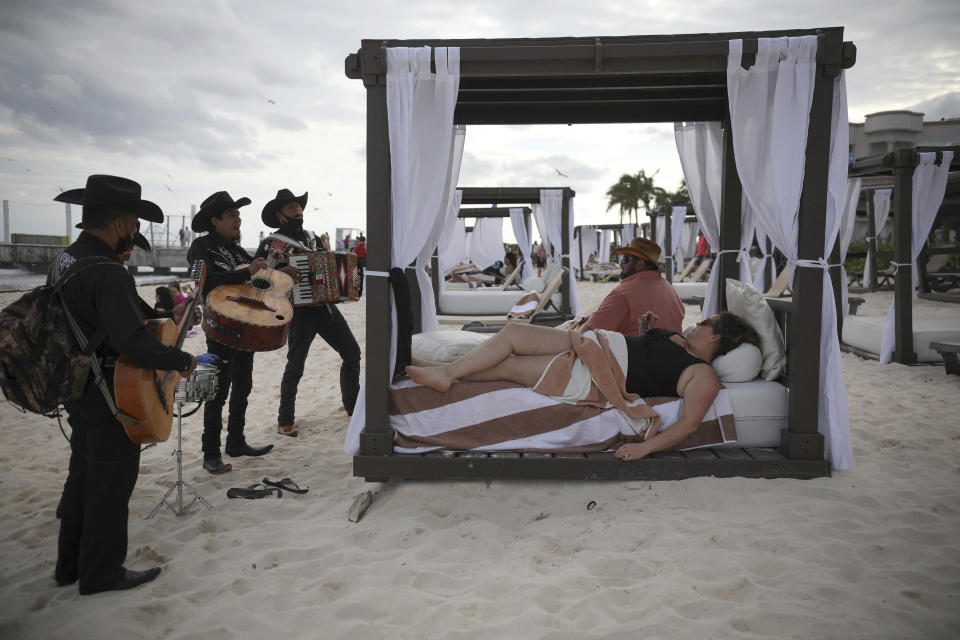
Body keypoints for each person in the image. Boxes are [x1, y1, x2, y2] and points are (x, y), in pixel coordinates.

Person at [51, 175, 198, 595]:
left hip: (76, 383)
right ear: (120, 223)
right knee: (111, 485)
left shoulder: (66, 259)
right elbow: (130, 341)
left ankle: (69, 567)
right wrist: (180, 359)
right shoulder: (108, 271)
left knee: (81, 475)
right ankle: (101, 573)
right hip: (110, 391)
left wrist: (162, 318)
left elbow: (110, 317)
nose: (134, 234)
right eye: (133, 225)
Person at [407, 311, 759, 461]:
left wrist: (644, 450)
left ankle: (443, 373)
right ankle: (446, 371)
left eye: (705, 322)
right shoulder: (680, 340)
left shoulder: (702, 375)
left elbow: (689, 424)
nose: (698, 324)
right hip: (591, 345)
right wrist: (650, 330)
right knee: (513, 333)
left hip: (593, 375)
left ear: (716, 336)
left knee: (510, 366)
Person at [187, 191, 290, 473]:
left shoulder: (236, 249)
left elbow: (253, 278)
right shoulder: (200, 246)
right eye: (232, 215)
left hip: (245, 324)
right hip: (220, 326)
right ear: (215, 220)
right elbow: (201, 284)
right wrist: (245, 273)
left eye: (239, 214)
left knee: (243, 385)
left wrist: (271, 261)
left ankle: (236, 442)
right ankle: (210, 453)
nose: (238, 220)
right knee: (218, 391)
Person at [259, 189, 362, 436]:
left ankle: (352, 405)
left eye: (299, 207)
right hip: (298, 312)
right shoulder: (270, 243)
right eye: (292, 208)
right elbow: (260, 277)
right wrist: (282, 271)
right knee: (296, 366)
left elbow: (324, 267)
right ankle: (285, 420)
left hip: (325, 307)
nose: (299, 212)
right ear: (280, 215)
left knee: (352, 353)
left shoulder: (312, 238)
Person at [582, 237, 684, 335]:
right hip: (673, 351)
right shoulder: (670, 290)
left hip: (638, 352)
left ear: (640, 264)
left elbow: (587, 333)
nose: (621, 264)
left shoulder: (623, 293)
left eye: (625, 259)